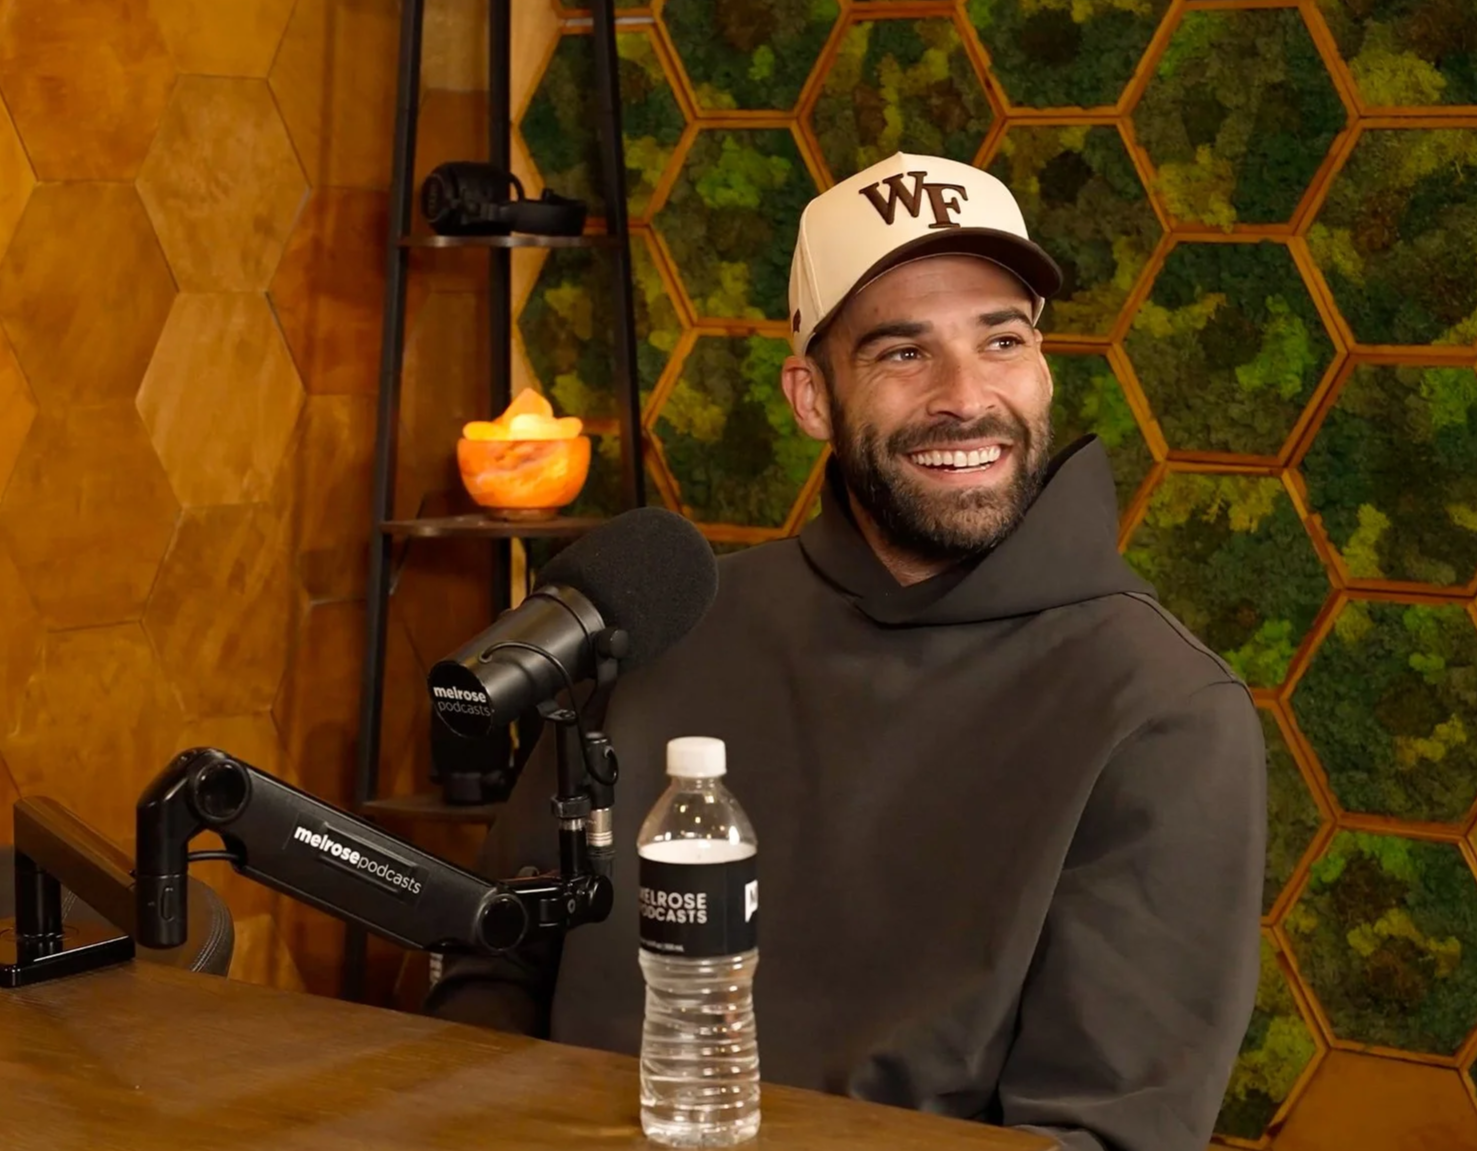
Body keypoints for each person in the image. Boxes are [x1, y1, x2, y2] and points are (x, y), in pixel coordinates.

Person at [425, 152, 1268, 1151]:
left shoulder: (1160, 708)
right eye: (903, 352)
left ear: (1043, 369)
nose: (966, 396)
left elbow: (1104, 1133)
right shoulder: (672, 623)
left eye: (1001, 340)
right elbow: (494, 958)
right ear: (811, 397)